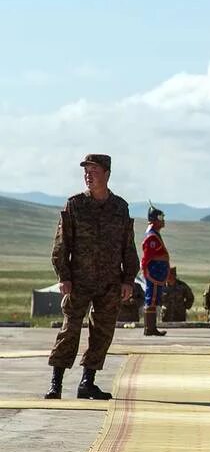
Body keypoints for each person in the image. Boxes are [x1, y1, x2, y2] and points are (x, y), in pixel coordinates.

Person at [46, 153, 138, 400]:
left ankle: (88, 382)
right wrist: (64, 275)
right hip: (79, 280)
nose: (88, 176)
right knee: (70, 329)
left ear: (107, 174)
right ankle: (56, 383)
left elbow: (128, 246)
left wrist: (129, 279)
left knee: (102, 332)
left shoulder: (120, 207)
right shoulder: (75, 205)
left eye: (94, 171)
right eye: (86, 171)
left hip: (110, 281)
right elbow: (61, 244)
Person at [141, 204, 169, 336]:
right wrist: (145, 269)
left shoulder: (155, 234)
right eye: (160, 217)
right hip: (153, 272)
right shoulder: (152, 236)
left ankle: (151, 327)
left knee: (153, 298)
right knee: (151, 298)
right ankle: (149, 328)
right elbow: (147, 255)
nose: (163, 220)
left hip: (157, 272)